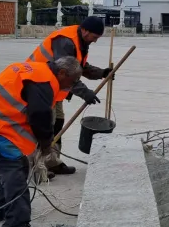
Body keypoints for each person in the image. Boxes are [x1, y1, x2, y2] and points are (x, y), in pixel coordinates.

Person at [0, 56, 83, 227]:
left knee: (12, 165)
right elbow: (39, 115)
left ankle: (0, 209)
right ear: (62, 73)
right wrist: (45, 144)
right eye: (73, 80)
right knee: (14, 167)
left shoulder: (40, 72)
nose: (73, 85)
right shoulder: (43, 81)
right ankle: (16, 224)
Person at [26, 16, 111, 176]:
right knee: (43, 125)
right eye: (94, 37)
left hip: (54, 86)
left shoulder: (80, 41)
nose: (95, 41)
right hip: (38, 84)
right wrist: (85, 92)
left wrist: (101, 73)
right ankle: (37, 166)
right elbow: (65, 72)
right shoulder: (66, 41)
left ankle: (52, 161)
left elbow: (79, 67)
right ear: (85, 30)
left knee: (57, 122)